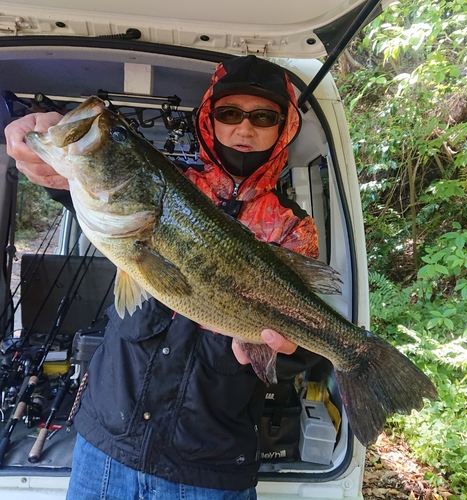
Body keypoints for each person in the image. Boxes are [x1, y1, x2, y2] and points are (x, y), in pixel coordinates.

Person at [5, 55, 322, 500]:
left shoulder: (294, 228)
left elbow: (300, 345)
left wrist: (285, 355)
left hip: (209, 467)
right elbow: (83, 182)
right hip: (107, 449)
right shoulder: (163, 183)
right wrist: (35, 130)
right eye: (229, 113)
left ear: (282, 128)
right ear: (209, 120)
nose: (244, 130)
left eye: (263, 117)